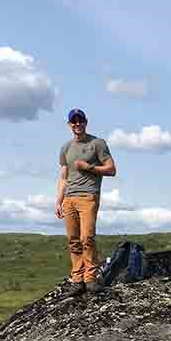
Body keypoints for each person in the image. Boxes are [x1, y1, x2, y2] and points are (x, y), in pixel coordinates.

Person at [55, 108, 117, 297]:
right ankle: (78, 280)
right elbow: (63, 176)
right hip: (69, 198)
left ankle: (90, 278)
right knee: (73, 241)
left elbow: (112, 169)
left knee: (86, 238)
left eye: (80, 120)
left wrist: (88, 167)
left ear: (86, 122)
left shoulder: (97, 143)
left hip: (88, 196)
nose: (77, 124)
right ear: (69, 125)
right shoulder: (66, 148)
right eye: (73, 121)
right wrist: (59, 201)